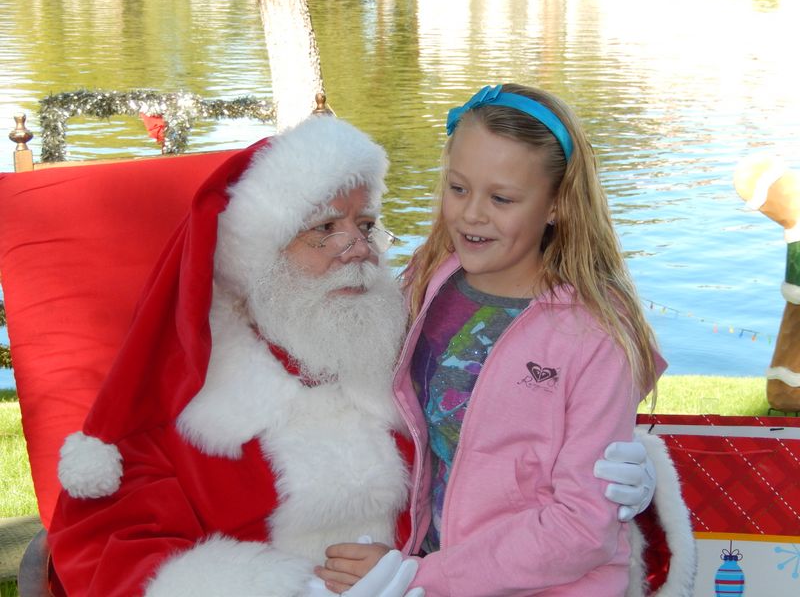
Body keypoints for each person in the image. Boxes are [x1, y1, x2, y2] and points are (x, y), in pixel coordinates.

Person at [47, 113, 658, 597]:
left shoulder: (398, 325)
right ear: (257, 258)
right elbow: (111, 546)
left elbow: (512, 420)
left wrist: (613, 473)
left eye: (365, 225)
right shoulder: (194, 398)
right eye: (323, 229)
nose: (356, 248)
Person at [318, 85, 688, 596]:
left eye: (501, 198)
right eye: (458, 188)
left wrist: (422, 579)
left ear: (557, 205)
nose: (471, 214)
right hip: (422, 569)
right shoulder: (429, 279)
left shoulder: (596, 333)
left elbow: (583, 527)